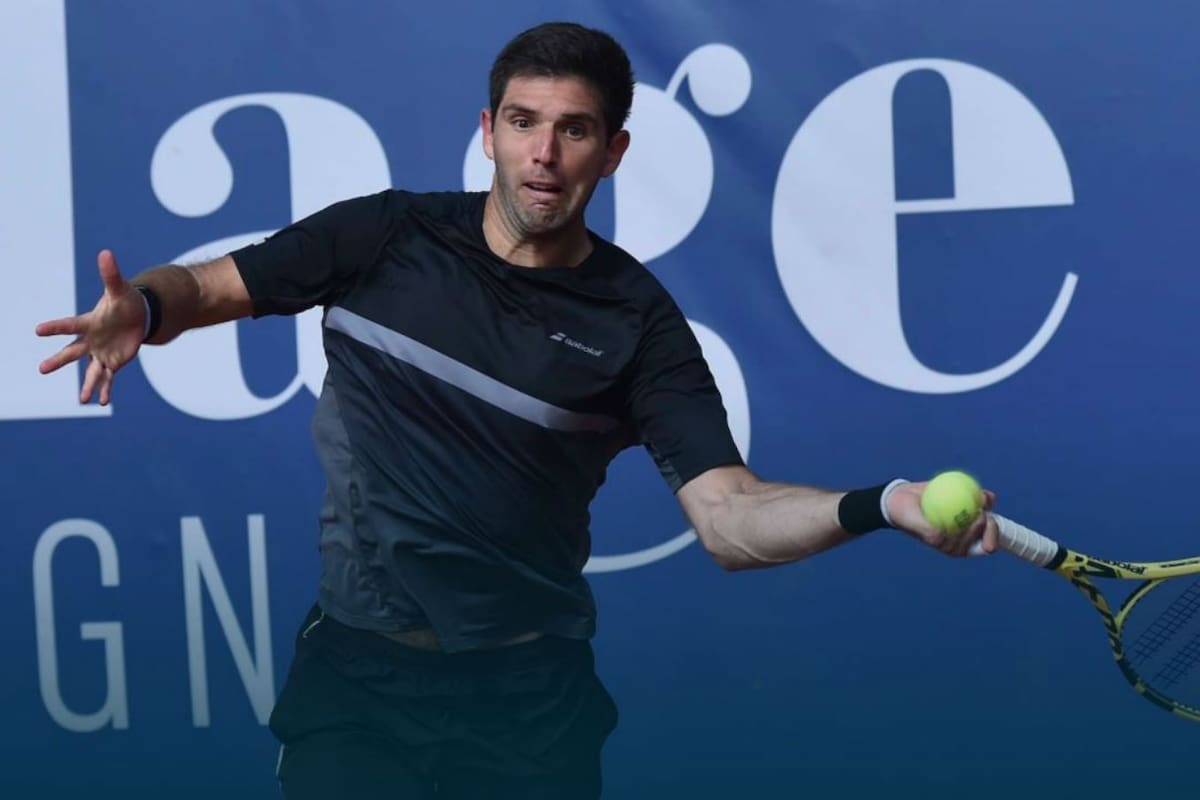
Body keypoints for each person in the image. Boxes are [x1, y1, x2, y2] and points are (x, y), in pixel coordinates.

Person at [35, 20, 999, 800]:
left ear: (613, 150)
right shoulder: (385, 236)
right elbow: (207, 287)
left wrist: (886, 502)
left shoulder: (641, 327)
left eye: (574, 129)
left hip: (527, 705)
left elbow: (730, 518)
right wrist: (145, 308)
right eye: (523, 121)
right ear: (487, 129)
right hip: (355, 682)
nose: (543, 154)